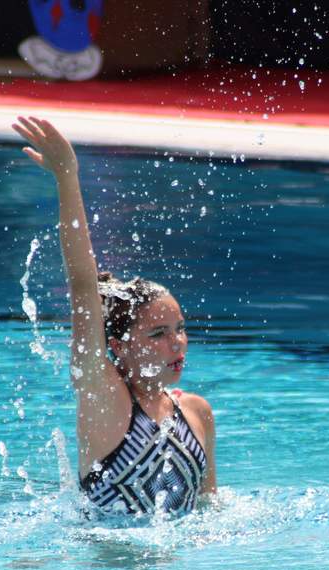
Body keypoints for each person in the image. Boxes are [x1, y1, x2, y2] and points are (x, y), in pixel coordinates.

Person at [12, 116, 216, 515]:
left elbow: (210, 511)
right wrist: (67, 176)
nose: (177, 343)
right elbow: (83, 286)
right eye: (158, 333)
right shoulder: (106, 399)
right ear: (119, 347)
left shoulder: (197, 412)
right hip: (104, 555)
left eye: (180, 329)